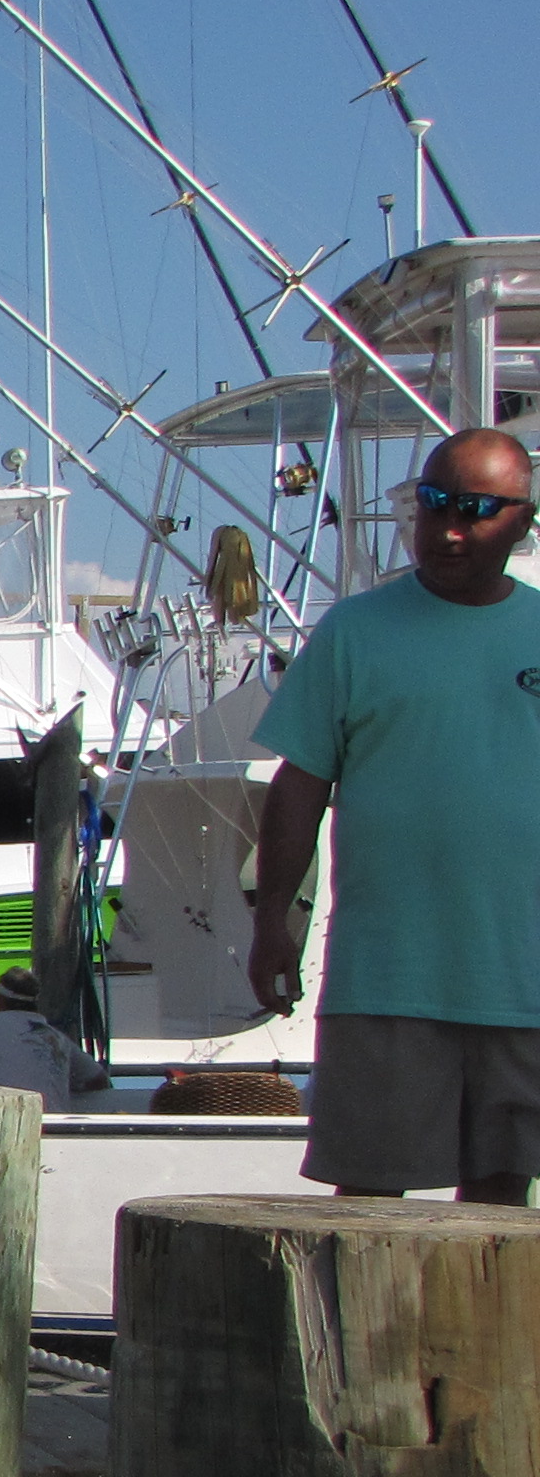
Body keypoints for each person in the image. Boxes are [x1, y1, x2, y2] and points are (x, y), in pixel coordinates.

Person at [248, 426, 540, 1202]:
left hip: (524, 986)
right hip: (384, 982)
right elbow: (298, 786)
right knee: (368, 1207)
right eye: (432, 503)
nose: (448, 528)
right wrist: (272, 919)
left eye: (475, 509)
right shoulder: (355, 630)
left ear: (523, 522)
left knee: (500, 1210)